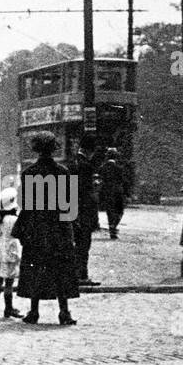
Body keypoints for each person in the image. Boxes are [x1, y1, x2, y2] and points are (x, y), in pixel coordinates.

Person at [12, 132, 79, 326]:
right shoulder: (63, 172)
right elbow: (70, 204)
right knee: (61, 270)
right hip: (58, 228)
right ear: (53, 149)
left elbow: (23, 202)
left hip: (36, 228)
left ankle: (34, 311)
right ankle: (64, 311)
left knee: (36, 268)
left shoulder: (28, 173)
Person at [0, 187, 22, 319]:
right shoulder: (14, 219)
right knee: (9, 283)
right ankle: (8, 308)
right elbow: (18, 235)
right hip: (11, 253)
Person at [72, 137, 100, 286]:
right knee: (83, 244)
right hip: (83, 212)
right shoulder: (85, 166)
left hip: (71, 211)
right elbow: (85, 192)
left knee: (75, 244)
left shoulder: (72, 163)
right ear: (90, 151)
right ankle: (81, 276)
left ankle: (75, 275)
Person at [98, 148, 128, 239]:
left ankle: (111, 226)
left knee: (109, 211)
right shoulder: (119, 168)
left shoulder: (102, 168)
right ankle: (113, 226)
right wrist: (127, 193)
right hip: (118, 192)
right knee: (120, 211)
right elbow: (124, 181)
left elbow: (99, 180)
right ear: (116, 157)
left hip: (107, 192)